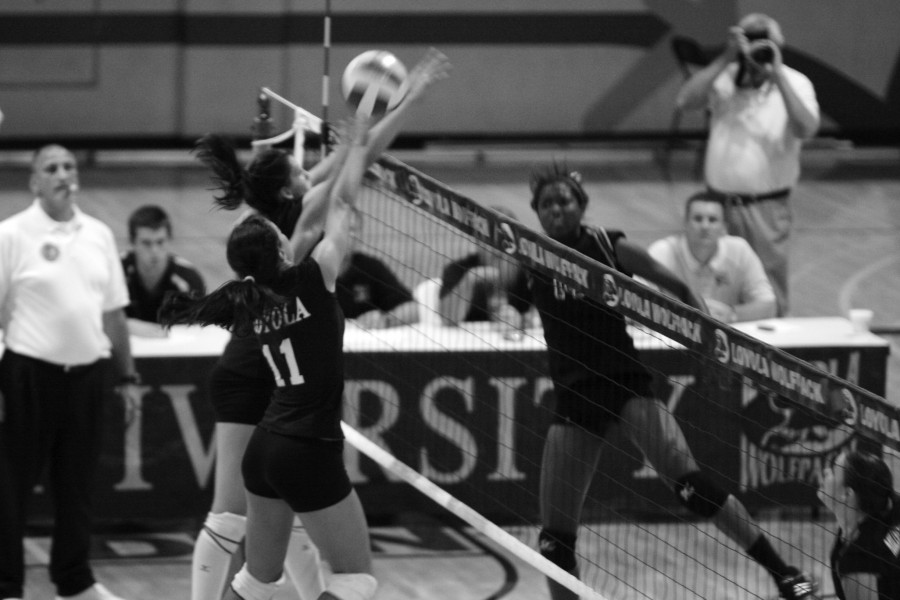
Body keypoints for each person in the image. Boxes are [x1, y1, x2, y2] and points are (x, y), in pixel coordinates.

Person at [187, 48, 451, 600]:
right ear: (289, 193)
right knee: (238, 519)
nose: (313, 171)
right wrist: (394, 105)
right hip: (257, 383)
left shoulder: (271, 234)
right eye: (304, 171)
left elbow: (356, 157)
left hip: (275, 403)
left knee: (267, 566)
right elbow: (354, 175)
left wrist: (373, 120)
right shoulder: (304, 244)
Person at [525, 165, 819, 600]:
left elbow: (678, 287)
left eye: (564, 200)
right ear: (536, 212)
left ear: (581, 205)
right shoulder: (532, 257)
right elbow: (496, 286)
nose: (556, 210)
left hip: (623, 382)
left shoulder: (608, 245)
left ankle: (784, 573)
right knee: (553, 540)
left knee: (690, 486)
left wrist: (708, 342)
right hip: (574, 394)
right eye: (546, 204)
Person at [161, 114, 376, 600]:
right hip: (308, 446)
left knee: (256, 582)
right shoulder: (314, 274)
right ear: (280, 243)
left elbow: (323, 206)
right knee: (356, 580)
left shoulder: (251, 304)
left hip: (266, 447)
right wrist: (358, 145)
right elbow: (340, 202)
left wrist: (347, 152)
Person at [0, 145, 141, 600]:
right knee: (9, 489)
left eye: (69, 167)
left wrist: (127, 376)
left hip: (87, 379)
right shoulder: (11, 235)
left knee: (77, 486)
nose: (64, 175)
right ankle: (6, 585)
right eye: (52, 168)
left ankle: (74, 580)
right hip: (27, 378)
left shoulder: (98, 234)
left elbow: (114, 314)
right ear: (34, 182)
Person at [675, 12, 820, 317]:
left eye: (764, 45)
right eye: (751, 44)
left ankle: (774, 350)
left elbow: (806, 129)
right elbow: (686, 101)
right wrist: (725, 58)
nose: (756, 54)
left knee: (768, 287)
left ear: (778, 46)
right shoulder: (726, 77)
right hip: (717, 206)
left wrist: (777, 74)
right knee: (715, 284)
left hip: (765, 210)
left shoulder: (795, 82)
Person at [647, 190, 776, 324]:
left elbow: (769, 305)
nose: (705, 226)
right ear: (685, 223)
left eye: (712, 220)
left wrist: (732, 314)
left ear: (724, 227)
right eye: (698, 219)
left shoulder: (739, 251)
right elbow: (634, 301)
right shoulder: (662, 252)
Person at [819, 448, 900, 600]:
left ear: (847, 494)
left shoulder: (858, 562)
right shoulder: (892, 510)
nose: (826, 472)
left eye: (833, 470)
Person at [439, 206, 532, 333]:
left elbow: (546, 316)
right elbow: (447, 320)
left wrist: (523, 321)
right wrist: (470, 279)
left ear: (517, 243)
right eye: (490, 239)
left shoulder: (531, 273)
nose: (497, 247)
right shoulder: (458, 269)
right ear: (478, 240)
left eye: (505, 240)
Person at [121, 204, 206, 337]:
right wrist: (126, 325)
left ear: (169, 240)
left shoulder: (189, 279)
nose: (154, 251)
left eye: (160, 242)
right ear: (132, 243)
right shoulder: (116, 272)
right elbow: (98, 319)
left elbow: (196, 332)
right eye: (146, 243)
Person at [337, 209, 418, 329]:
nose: (352, 235)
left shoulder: (370, 267)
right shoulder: (309, 267)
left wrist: (386, 320)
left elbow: (413, 309)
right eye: (345, 229)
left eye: (354, 229)